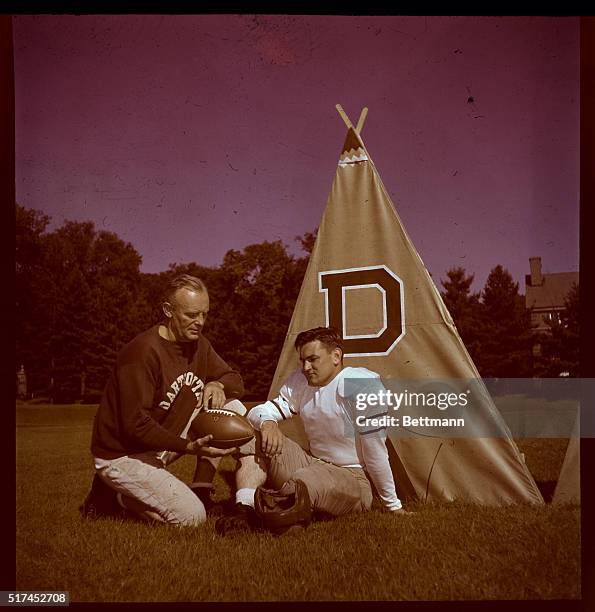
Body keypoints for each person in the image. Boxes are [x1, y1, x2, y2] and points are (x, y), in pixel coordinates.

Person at [80, 274, 262, 526]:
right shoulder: (142, 353)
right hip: (123, 454)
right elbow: (134, 426)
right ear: (168, 310)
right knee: (191, 518)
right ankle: (113, 498)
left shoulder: (199, 345)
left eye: (205, 314)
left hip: (157, 444)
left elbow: (235, 380)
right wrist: (188, 447)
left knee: (232, 408)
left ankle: (202, 489)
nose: (200, 322)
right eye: (191, 315)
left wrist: (216, 383)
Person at [215, 326, 409, 536]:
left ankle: (279, 511)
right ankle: (244, 510)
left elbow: (375, 452)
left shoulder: (361, 384)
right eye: (302, 360)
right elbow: (261, 411)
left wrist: (393, 505)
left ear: (336, 356)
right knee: (251, 436)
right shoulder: (301, 380)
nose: (306, 367)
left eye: (313, 359)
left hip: (353, 477)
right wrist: (268, 423)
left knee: (307, 479)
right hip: (313, 463)